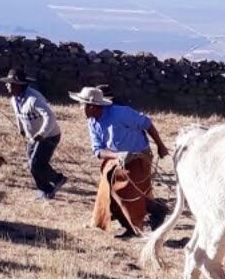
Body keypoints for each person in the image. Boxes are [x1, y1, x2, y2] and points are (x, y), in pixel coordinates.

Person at [70, 86, 168, 238]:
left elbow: (147, 123)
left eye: (81, 104)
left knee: (128, 192)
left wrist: (161, 146)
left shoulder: (121, 113)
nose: (80, 108)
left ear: (92, 106)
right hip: (117, 159)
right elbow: (98, 150)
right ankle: (133, 223)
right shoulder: (92, 122)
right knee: (107, 191)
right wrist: (117, 155)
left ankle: (149, 216)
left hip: (139, 157)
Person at [1, 68, 66, 200]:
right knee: (34, 163)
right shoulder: (14, 99)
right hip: (32, 137)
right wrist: (22, 130)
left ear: (18, 85)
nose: (7, 85)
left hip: (49, 135)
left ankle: (51, 185)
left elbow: (50, 117)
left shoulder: (33, 99)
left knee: (34, 164)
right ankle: (51, 184)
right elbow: (18, 116)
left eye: (10, 83)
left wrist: (42, 133)